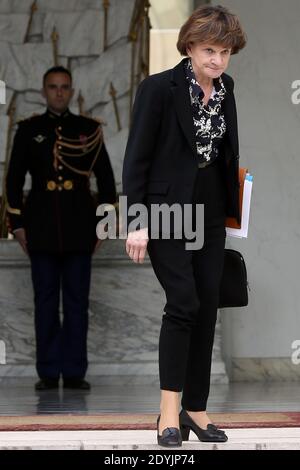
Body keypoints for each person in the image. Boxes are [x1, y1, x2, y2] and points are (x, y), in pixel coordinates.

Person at [122, 5, 246, 446]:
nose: (217, 60)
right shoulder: (158, 89)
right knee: (183, 303)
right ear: (190, 46)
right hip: (165, 213)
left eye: (225, 52)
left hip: (212, 214)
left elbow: (226, 150)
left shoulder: (226, 87)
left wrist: (235, 209)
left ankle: (196, 409)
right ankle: (168, 413)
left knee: (208, 306)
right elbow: (136, 158)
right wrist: (136, 221)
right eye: (209, 50)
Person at [6, 66, 116, 391]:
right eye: (52, 87)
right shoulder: (28, 130)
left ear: (71, 91)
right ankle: (48, 372)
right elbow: (13, 181)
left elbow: (107, 181)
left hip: (80, 227)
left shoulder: (88, 129)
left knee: (77, 302)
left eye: (64, 87)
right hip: (39, 228)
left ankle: (74, 371)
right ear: (43, 91)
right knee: (45, 302)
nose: (58, 92)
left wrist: (103, 226)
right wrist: (18, 225)